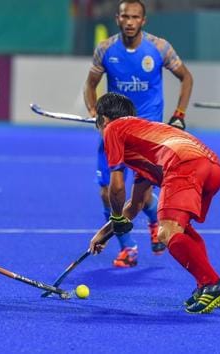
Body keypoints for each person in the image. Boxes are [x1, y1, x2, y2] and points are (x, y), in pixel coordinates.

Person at [88, 92, 220, 314]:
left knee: (165, 233)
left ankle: (213, 282)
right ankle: (205, 285)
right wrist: (104, 233)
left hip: (184, 164)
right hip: (212, 166)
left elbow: (116, 186)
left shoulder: (113, 128)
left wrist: (116, 219)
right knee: (181, 230)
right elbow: (135, 205)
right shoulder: (145, 139)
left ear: (104, 119)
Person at [83, 0, 193, 267]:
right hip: (114, 133)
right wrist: (93, 110)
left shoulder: (159, 47)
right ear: (117, 19)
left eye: (135, 17)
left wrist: (179, 114)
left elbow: (186, 78)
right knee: (107, 192)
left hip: (148, 137)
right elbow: (90, 85)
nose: (130, 21)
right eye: (125, 16)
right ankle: (128, 248)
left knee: (141, 197)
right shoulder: (105, 49)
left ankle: (154, 220)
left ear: (143, 21)